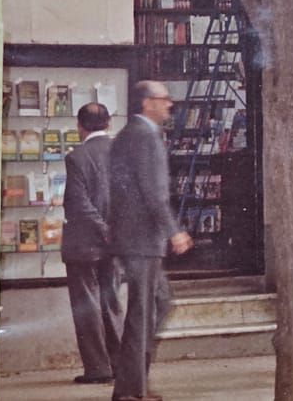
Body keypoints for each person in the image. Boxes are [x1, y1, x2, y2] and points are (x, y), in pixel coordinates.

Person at [108, 81, 193, 401]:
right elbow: (153, 192)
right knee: (143, 313)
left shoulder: (129, 134)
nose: (169, 105)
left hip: (134, 238)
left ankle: (132, 384)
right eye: (163, 99)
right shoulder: (145, 137)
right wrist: (174, 229)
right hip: (142, 239)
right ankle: (130, 391)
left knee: (157, 303)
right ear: (147, 103)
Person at [61, 102, 122, 385]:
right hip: (115, 242)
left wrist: (101, 228)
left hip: (84, 244)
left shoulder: (77, 157)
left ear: (80, 126)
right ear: (108, 123)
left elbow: (78, 203)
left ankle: (98, 368)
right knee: (111, 302)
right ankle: (120, 364)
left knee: (87, 306)